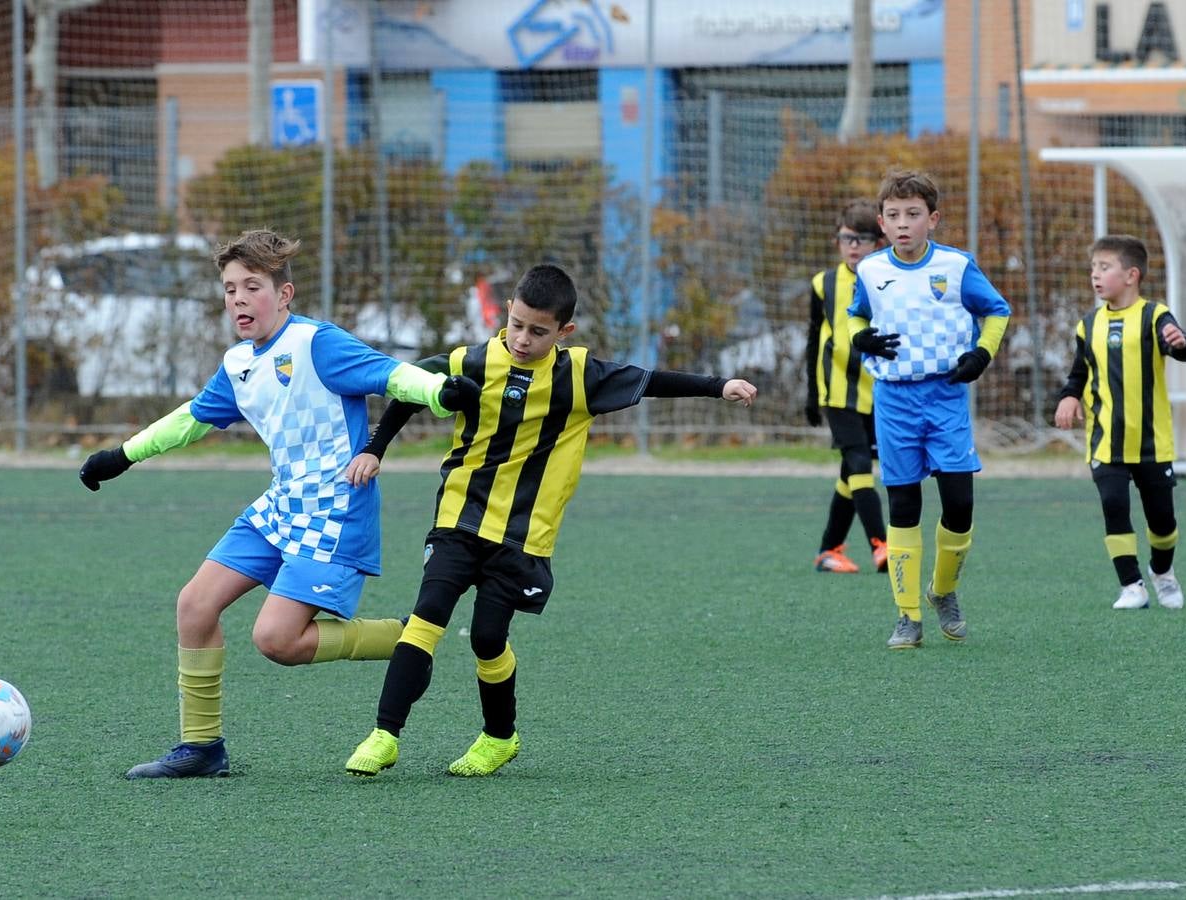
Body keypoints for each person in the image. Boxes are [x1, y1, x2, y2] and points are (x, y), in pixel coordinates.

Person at [77, 228, 479, 778]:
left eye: (252, 286)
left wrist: (438, 393)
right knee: (194, 605)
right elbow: (192, 419)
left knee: (276, 641)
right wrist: (122, 455)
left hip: (334, 515)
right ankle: (201, 749)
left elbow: (390, 373)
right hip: (279, 508)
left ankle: (407, 638)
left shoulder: (316, 344)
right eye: (229, 289)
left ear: (284, 294)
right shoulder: (239, 363)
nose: (238, 298)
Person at [340, 263, 758, 778]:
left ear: (564, 332)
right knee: (427, 616)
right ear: (507, 313)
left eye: (538, 331)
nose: (522, 338)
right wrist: (375, 448)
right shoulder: (471, 361)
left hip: (523, 535)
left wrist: (720, 386)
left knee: (488, 638)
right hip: (459, 518)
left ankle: (499, 737)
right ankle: (384, 735)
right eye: (516, 324)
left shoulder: (580, 375)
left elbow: (652, 381)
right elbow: (409, 387)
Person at [845, 170, 1012, 650]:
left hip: (945, 397)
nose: (903, 224)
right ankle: (907, 615)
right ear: (881, 221)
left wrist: (982, 354)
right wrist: (860, 336)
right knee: (904, 506)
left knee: (959, 504)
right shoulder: (872, 270)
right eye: (894, 215)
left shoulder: (957, 266)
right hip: (893, 400)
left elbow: (997, 311)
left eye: (913, 215)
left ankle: (943, 591)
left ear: (932, 220)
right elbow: (857, 313)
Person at [1053, 234, 1186, 610]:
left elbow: (1180, 348)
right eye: (1093, 269)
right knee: (1114, 506)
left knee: (1162, 521)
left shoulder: (1155, 315)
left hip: (1151, 441)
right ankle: (1131, 585)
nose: (1095, 276)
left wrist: (1179, 343)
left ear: (1131, 275)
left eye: (1104, 268)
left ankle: (1162, 573)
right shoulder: (1088, 325)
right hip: (1105, 441)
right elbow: (1077, 374)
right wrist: (1068, 397)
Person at [804, 198, 889, 575]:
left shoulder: (888, 279)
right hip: (836, 390)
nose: (853, 246)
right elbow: (812, 340)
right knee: (859, 463)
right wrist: (810, 393)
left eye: (863, 238)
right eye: (846, 238)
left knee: (852, 472)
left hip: (879, 390)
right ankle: (881, 544)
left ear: (877, 242)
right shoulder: (823, 284)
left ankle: (829, 550)